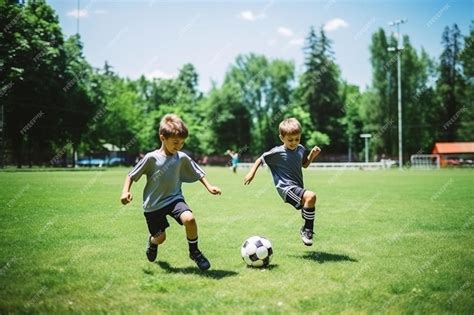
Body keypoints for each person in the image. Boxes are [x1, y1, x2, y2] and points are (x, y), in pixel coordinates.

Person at [120, 114, 221, 271]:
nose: (179, 146)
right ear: (162, 138)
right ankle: (152, 242)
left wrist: (209, 186)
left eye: (182, 142)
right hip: (153, 205)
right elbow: (131, 175)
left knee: (190, 219)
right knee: (161, 238)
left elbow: (198, 172)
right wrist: (125, 192)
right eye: (175, 142)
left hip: (174, 199)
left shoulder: (181, 158)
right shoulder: (151, 158)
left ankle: (194, 252)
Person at [243, 118, 321, 246]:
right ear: (282, 138)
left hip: (297, 187)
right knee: (310, 197)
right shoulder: (278, 152)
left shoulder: (300, 149)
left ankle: (305, 228)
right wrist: (252, 172)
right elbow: (261, 159)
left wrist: (312, 155)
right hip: (285, 188)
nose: (294, 142)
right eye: (290, 140)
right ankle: (307, 231)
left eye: (297, 139)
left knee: (308, 202)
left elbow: (305, 165)